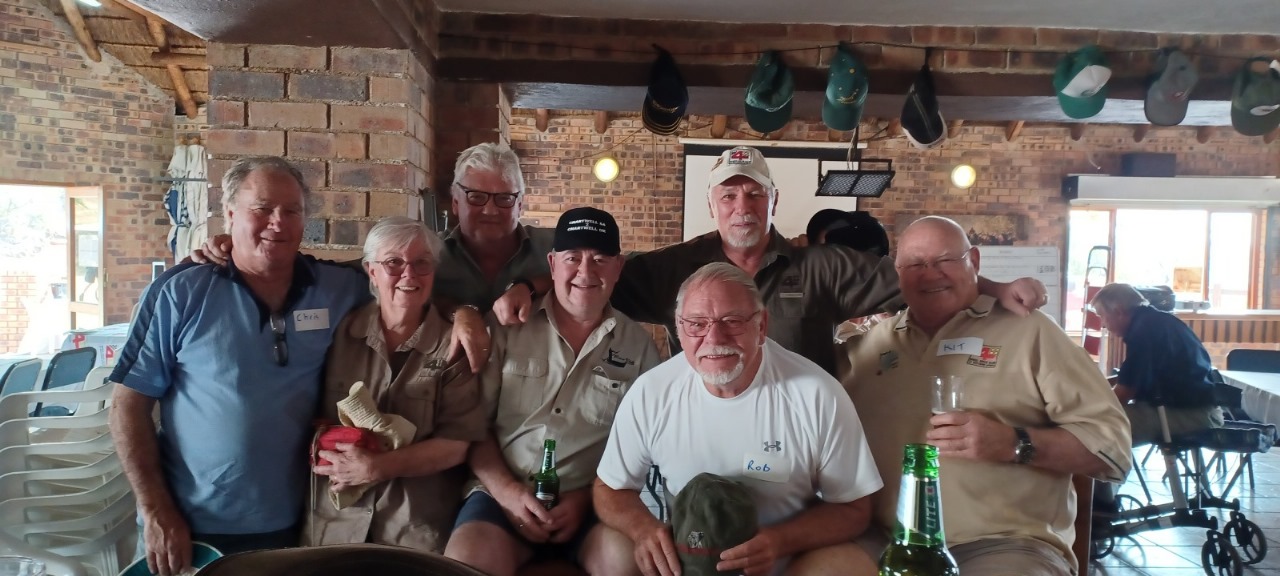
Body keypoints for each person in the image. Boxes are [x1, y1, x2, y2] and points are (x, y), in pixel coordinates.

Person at [494, 146, 1049, 376]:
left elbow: (919, 280)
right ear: (712, 205)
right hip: (705, 428)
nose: (743, 207)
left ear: (773, 202)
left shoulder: (825, 267)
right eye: (730, 195)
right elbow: (591, 275)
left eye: (754, 194)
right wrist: (529, 286)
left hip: (802, 438)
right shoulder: (673, 268)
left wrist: (996, 289)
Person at [108, 157, 371, 576]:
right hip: (191, 528)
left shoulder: (337, 287)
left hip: (297, 522)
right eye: (262, 209)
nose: (278, 222)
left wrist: (462, 312)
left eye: (292, 210)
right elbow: (127, 406)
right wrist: (155, 510)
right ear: (230, 214)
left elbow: (405, 276)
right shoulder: (180, 291)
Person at [840, 216, 1132, 576]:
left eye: (945, 260)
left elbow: (1112, 450)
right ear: (896, 273)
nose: (930, 274)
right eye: (914, 264)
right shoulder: (871, 345)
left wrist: (1013, 443)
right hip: (883, 540)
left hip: (1002, 543)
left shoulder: (1031, 331)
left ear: (974, 261)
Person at [595, 262, 883, 576]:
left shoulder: (817, 394)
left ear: (762, 325)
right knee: (611, 553)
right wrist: (643, 530)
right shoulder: (652, 392)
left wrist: (780, 541)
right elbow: (609, 488)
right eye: (697, 324)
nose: (714, 338)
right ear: (678, 327)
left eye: (732, 321)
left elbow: (854, 508)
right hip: (689, 559)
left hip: (788, 558)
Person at [193, 142, 548, 375]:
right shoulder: (422, 256)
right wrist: (240, 247)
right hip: (453, 408)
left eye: (504, 198)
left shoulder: (556, 248)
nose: (490, 209)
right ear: (455, 202)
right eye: (475, 196)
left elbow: (585, 273)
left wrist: (530, 285)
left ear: (521, 203)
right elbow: (351, 272)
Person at [445, 207, 661, 576]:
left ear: (618, 267)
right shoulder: (508, 327)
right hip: (500, 495)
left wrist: (585, 498)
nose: (585, 272)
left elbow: (643, 449)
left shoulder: (639, 348)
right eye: (572, 258)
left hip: (593, 504)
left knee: (626, 564)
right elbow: (472, 426)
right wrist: (509, 494)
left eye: (600, 259)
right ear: (552, 263)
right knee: (465, 562)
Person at [305, 216, 488, 549]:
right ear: (371, 271)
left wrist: (377, 467)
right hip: (334, 526)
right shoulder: (336, 334)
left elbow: (456, 444)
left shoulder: (454, 346)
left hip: (413, 531)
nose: (409, 274)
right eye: (393, 262)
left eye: (422, 263)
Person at [1089, 283, 1224, 445]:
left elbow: (1123, 394)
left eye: (1102, 316)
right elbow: (1131, 378)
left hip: (1190, 415)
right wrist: (1098, 387)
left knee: (1093, 426)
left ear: (1118, 311)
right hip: (1200, 410)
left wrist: (1086, 407)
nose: (1103, 324)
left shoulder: (1143, 331)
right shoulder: (1156, 321)